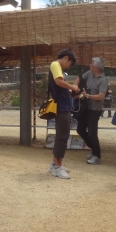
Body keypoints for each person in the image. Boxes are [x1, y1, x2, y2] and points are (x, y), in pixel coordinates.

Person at [48, 49, 79, 179]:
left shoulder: (57, 68)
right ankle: (57, 167)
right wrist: (73, 87)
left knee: (61, 136)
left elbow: (60, 84)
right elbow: (59, 82)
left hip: (63, 106)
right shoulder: (56, 65)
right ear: (66, 58)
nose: (69, 67)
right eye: (70, 64)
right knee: (62, 137)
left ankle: (55, 163)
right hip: (61, 108)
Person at [77, 57, 109, 165]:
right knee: (80, 129)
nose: (89, 65)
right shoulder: (89, 73)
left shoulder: (103, 80)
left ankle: (97, 156)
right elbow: (80, 78)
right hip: (86, 107)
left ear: (96, 67)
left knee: (92, 132)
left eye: (91, 64)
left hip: (95, 110)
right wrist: (74, 86)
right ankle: (95, 149)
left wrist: (88, 95)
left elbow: (101, 96)